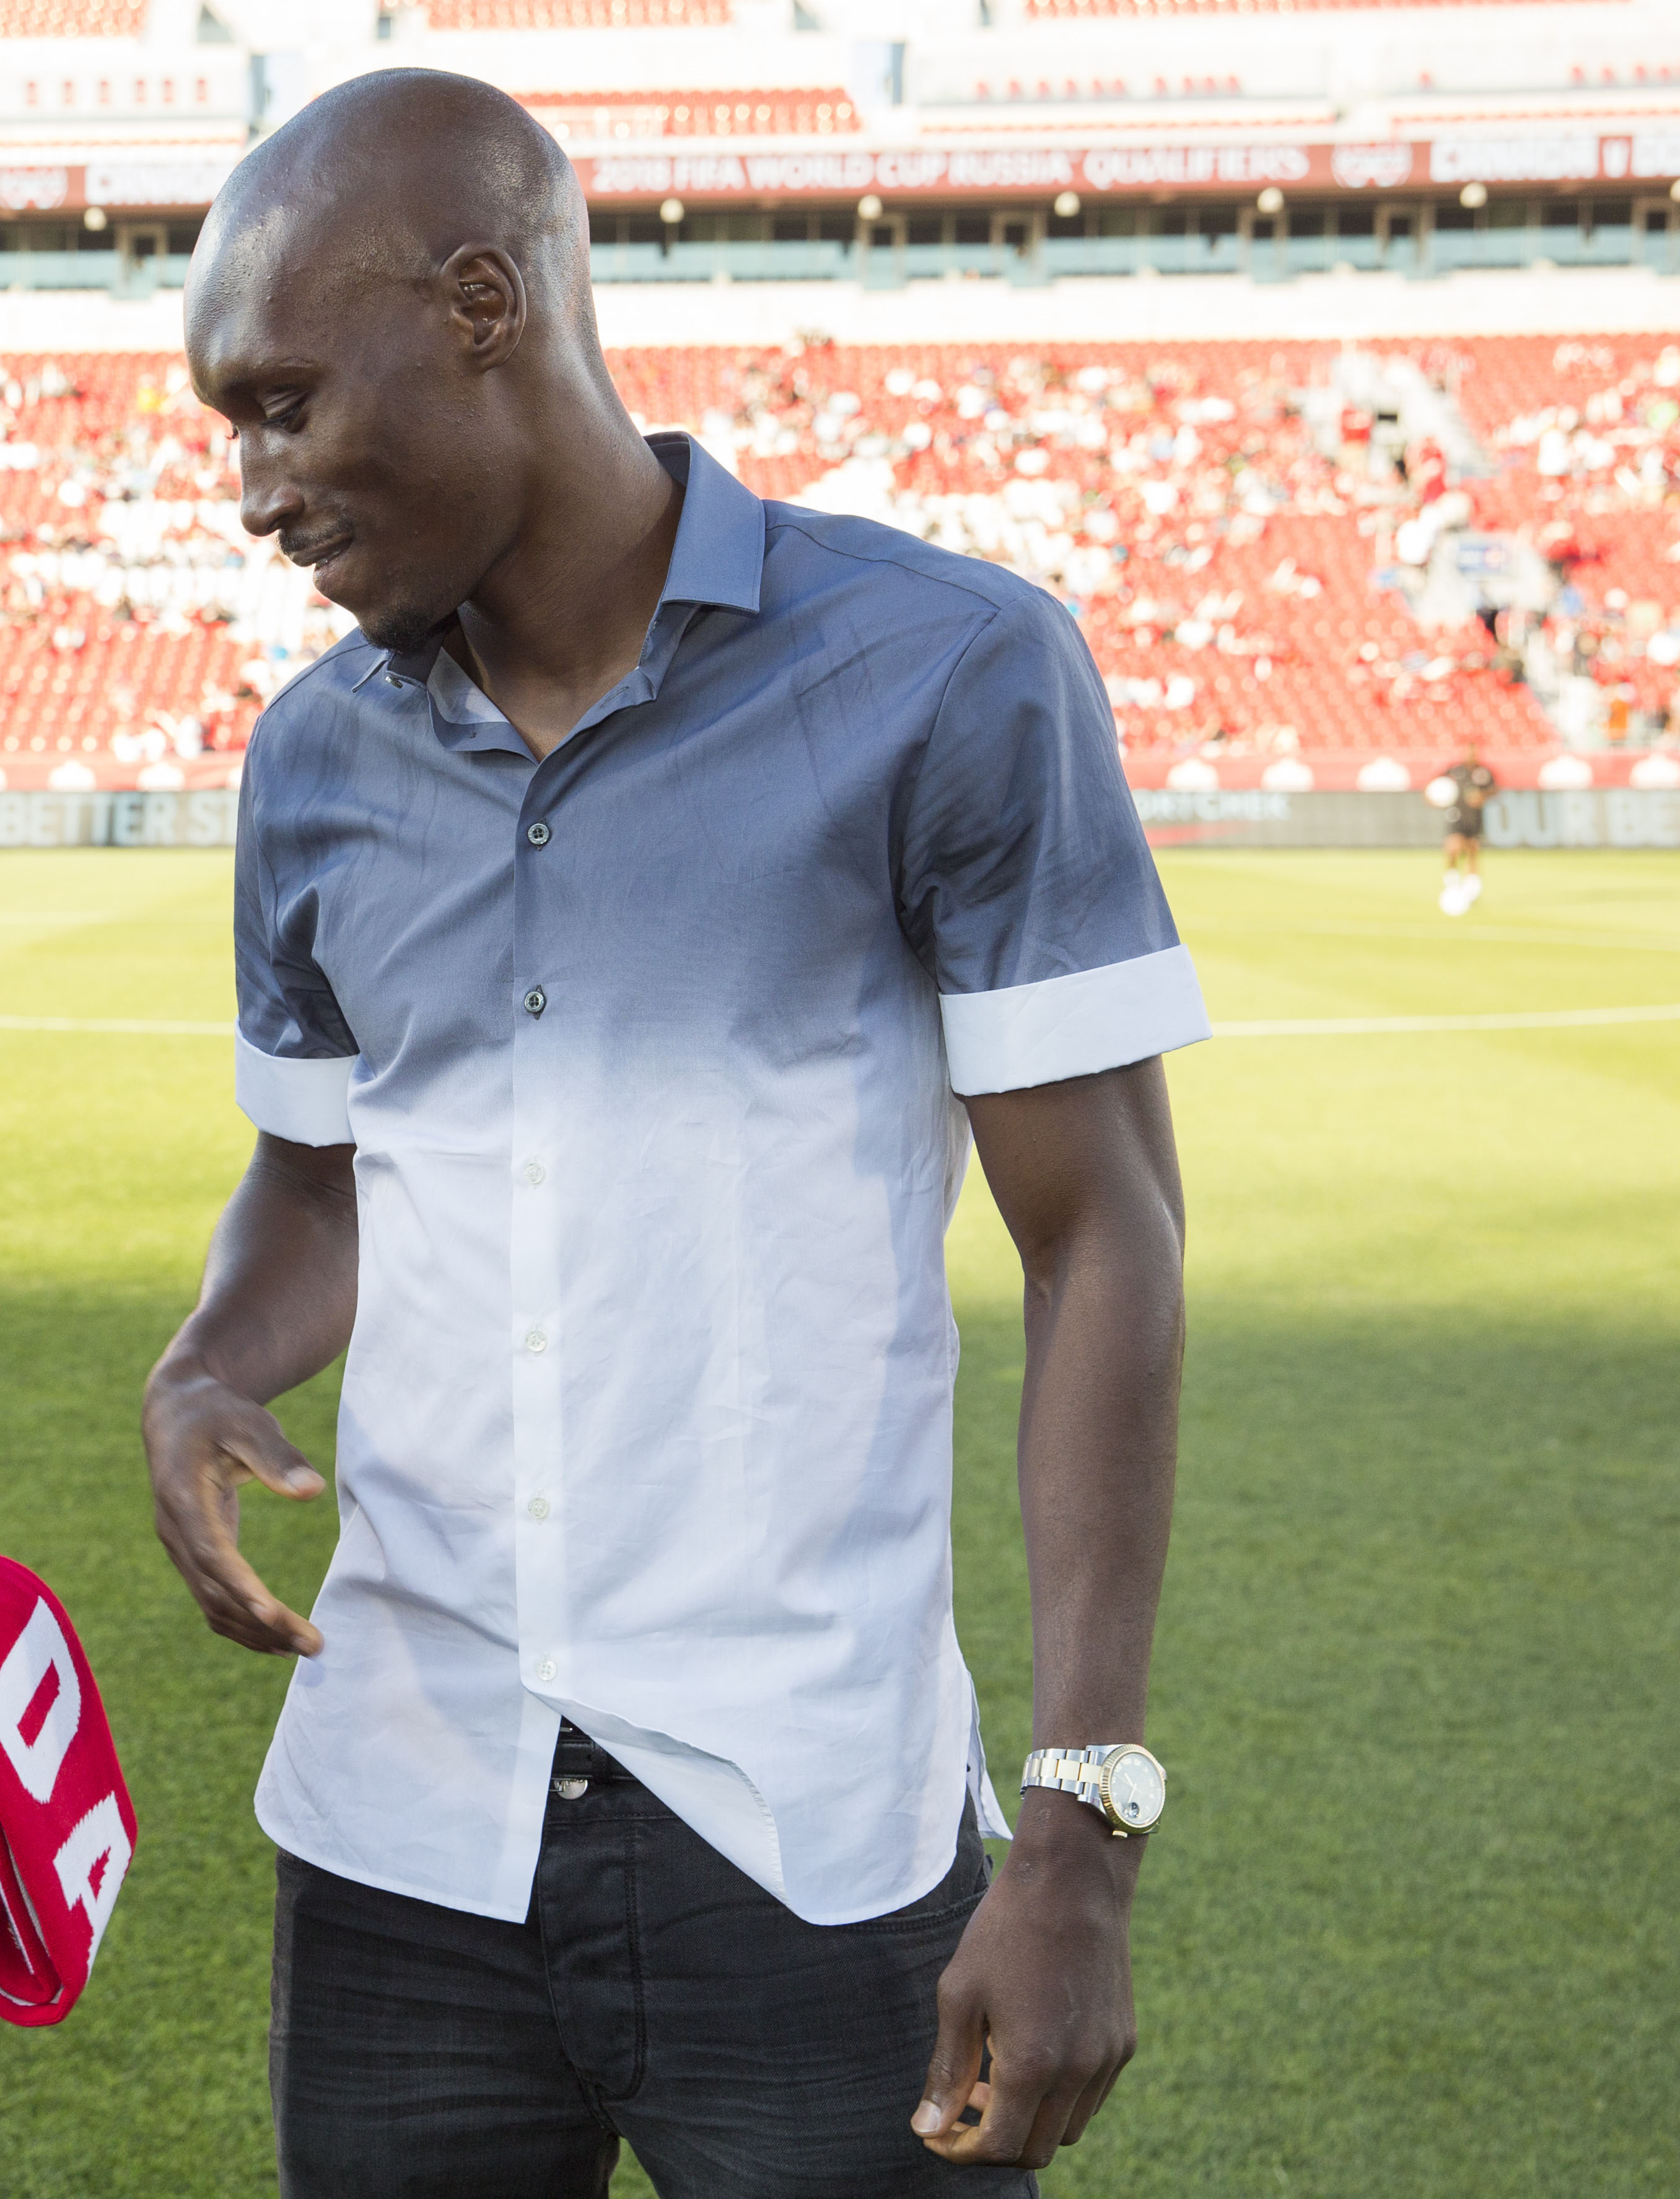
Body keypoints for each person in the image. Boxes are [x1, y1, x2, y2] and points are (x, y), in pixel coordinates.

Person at [144, 72, 1202, 2199]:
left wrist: (1080, 1819)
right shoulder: (315, 756)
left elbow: (1106, 1238)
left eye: (278, 403)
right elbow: (325, 1166)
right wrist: (215, 1356)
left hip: (816, 1823)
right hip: (400, 1826)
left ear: (479, 300)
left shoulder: (948, 670)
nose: (249, 489)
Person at [1437, 739, 1498, 913]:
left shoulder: (1484, 773)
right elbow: (1436, 785)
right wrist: (1434, 797)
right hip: (1456, 817)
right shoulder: (1455, 771)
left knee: (1473, 851)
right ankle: (1452, 883)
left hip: (1475, 819)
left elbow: (1495, 789)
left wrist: (1483, 796)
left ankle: (1472, 891)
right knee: (1453, 848)